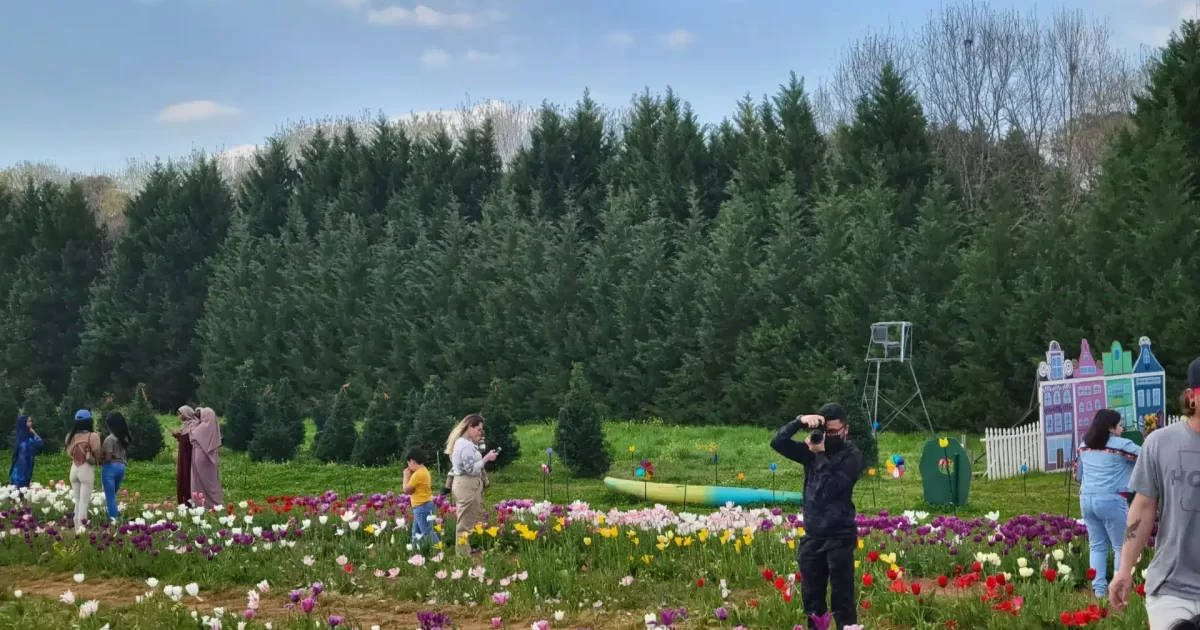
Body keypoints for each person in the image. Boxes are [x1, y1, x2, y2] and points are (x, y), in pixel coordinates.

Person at [1111, 358, 1200, 629]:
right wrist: (1124, 569)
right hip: (1171, 588)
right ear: (1191, 397)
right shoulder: (1160, 444)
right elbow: (1144, 507)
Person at [770, 403, 864, 630]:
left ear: (846, 430)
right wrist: (800, 420)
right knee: (812, 602)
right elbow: (777, 442)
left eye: (834, 432)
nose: (829, 437)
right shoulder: (812, 447)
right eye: (826, 432)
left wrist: (820, 454)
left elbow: (832, 487)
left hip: (839, 536)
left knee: (843, 602)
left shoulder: (852, 456)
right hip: (812, 535)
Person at [1072, 409, 1139, 598]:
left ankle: (1099, 591)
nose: (1122, 428)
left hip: (1086, 499)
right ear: (1110, 427)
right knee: (1120, 546)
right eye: (1119, 424)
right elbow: (1147, 459)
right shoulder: (1122, 445)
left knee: (1097, 546)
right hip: (1112, 498)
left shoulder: (1084, 445)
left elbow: (1078, 475)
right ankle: (1118, 590)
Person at [445, 414, 497, 556]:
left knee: (467, 520)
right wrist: (487, 458)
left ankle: (464, 549)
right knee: (464, 524)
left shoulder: (464, 443)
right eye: (478, 429)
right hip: (467, 485)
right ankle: (462, 556)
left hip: (466, 485)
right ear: (470, 427)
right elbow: (471, 469)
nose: (480, 433)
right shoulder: (465, 445)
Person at [65, 410, 101, 530]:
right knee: (84, 503)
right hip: (86, 470)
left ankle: (76, 527)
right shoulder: (93, 436)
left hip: (74, 469)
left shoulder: (71, 436)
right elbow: (98, 454)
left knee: (78, 500)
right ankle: (81, 529)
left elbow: (69, 453)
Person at [189, 407, 224, 507]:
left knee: (200, 480)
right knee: (212, 480)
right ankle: (214, 501)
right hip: (210, 457)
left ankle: (202, 501)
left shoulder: (202, 427)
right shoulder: (214, 426)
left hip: (200, 456)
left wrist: (195, 421)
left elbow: (192, 435)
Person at [100, 411, 132, 521]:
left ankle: (114, 519)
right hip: (121, 467)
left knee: (110, 496)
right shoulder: (125, 438)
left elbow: (108, 458)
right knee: (113, 494)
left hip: (110, 468)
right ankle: (111, 514)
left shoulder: (110, 439)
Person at [404, 449, 438, 548]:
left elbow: (406, 490)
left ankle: (439, 552)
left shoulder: (417, 474)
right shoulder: (425, 471)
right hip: (423, 505)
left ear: (412, 461)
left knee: (427, 532)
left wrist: (406, 476)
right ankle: (414, 552)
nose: (408, 466)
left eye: (408, 463)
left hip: (421, 506)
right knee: (416, 532)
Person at [172, 406, 199, 506]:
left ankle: (190, 499)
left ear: (186, 413)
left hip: (190, 456)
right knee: (182, 475)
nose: (179, 416)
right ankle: (183, 500)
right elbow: (184, 440)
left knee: (188, 476)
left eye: (180, 414)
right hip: (183, 455)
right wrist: (178, 436)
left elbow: (192, 441)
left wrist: (181, 436)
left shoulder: (194, 425)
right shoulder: (185, 425)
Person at [8, 414, 43, 489]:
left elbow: (40, 443)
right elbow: (39, 442)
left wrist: (33, 432)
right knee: (19, 486)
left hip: (28, 465)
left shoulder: (28, 435)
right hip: (21, 466)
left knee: (24, 486)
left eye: (31, 421)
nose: (31, 423)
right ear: (23, 423)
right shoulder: (23, 437)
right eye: (29, 421)